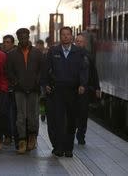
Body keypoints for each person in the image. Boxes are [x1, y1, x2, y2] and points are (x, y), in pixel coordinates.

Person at [42, 27, 88, 158]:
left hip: (73, 91)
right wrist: (45, 84)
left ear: (71, 36)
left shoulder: (78, 52)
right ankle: (58, 147)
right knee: (57, 120)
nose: (66, 37)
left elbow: (83, 70)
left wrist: (82, 84)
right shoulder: (53, 51)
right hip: (57, 91)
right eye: (63, 34)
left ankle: (69, 148)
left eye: (68, 34)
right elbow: (46, 69)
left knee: (71, 120)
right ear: (60, 36)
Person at [7, 28, 44, 154]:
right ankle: (22, 141)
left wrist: (37, 82)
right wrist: (16, 83)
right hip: (19, 90)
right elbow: (9, 71)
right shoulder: (12, 54)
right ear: (18, 38)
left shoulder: (38, 53)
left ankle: (32, 138)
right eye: (21, 37)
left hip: (34, 89)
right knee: (21, 117)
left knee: (33, 115)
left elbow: (42, 70)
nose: (23, 39)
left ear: (28, 37)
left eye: (25, 37)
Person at [74, 34, 101, 145]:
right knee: (73, 113)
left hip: (85, 90)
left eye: (81, 41)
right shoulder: (71, 55)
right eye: (77, 41)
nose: (79, 43)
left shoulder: (89, 56)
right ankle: (73, 132)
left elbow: (94, 73)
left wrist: (97, 88)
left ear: (84, 43)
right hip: (73, 90)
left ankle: (81, 135)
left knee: (83, 114)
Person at [35, 39, 48, 122]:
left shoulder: (46, 55)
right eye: (38, 46)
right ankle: (42, 113)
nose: (39, 48)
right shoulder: (34, 56)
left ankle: (43, 113)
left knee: (43, 99)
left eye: (41, 46)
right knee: (41, 100)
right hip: (37, 81)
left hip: (43, 81)